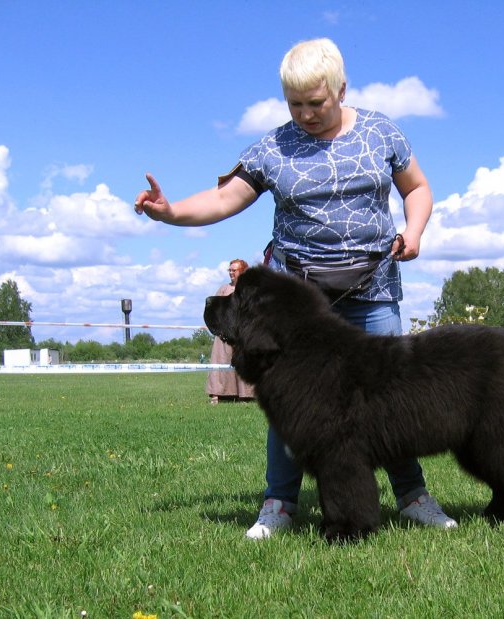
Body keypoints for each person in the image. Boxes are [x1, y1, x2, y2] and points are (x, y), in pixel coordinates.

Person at [135, 37, 456, 539]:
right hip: (298, 301)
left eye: (316, 102)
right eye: (295, 104)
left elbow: (417, 188)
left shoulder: (380, 132)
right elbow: (224, 199)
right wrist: (171, 212)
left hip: (372, 290)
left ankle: (412, 496)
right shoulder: (274, 146)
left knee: (391, 401)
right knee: (291, 402)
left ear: (340, 89)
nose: (305, 113)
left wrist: (413, 231)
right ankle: (280, 504)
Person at [205, 259, 255, 403]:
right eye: (230, 270)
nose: (231, 273)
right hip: (225, 333)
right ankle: (216, 394)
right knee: (220, 359)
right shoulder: (223, 289)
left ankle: (244, 395)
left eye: (234, 270)